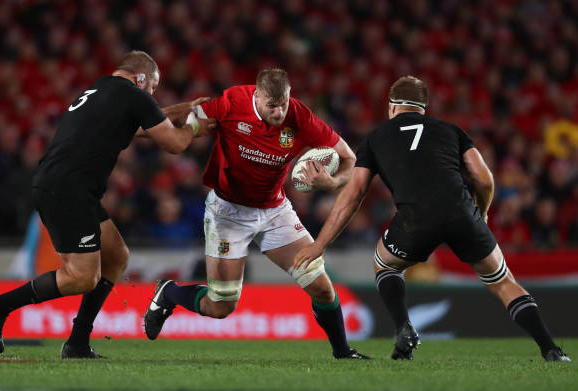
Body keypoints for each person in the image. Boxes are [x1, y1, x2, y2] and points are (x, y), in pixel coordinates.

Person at [294, 76, 571, 362]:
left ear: (391, 107)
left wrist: (320, 245)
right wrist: (483, 212)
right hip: (462, 212)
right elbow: (484, 178)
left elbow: (353, 196)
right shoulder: (451, 130)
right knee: (502, 282)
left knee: (385, 264)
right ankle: (550, 349)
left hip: (416, 218)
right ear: (423, 108)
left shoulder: (375, 138)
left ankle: (404, 328)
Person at [0, 50, 215, 358]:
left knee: (115, 256)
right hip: (68, 189)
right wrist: (196, 126)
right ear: (141, 79)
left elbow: (138, 126)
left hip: (66, 186)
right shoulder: (133, 95)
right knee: (82, 276)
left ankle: (77, 343)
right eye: (152, 88)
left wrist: (182, 109)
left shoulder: (101, 89)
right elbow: (175, 143)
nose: (151, 95)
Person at [144, 68, 369, 359]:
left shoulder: (300, 117)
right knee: (221, 305)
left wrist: (333, 182)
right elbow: (181, 125)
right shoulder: (231, 103)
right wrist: (148, 128)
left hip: (275, 212)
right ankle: (170, 293)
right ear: (257, 95)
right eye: (271, 106)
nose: (278, 112)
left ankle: (343, 353)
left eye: (283, 104)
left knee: (322, 287)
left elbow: (349, 157)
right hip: (227, 213)